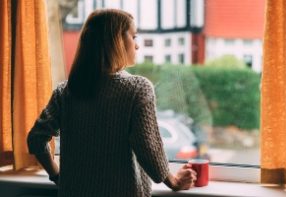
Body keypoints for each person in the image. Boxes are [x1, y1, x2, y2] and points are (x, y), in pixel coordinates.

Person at [27, 9, 196, 197]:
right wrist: (173, 181)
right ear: (116, 40)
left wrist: (57, 175)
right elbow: (148, 149)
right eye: (134, 36)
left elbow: (36, 138)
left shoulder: (66, 91)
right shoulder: (137, 89)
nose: (137, 46)